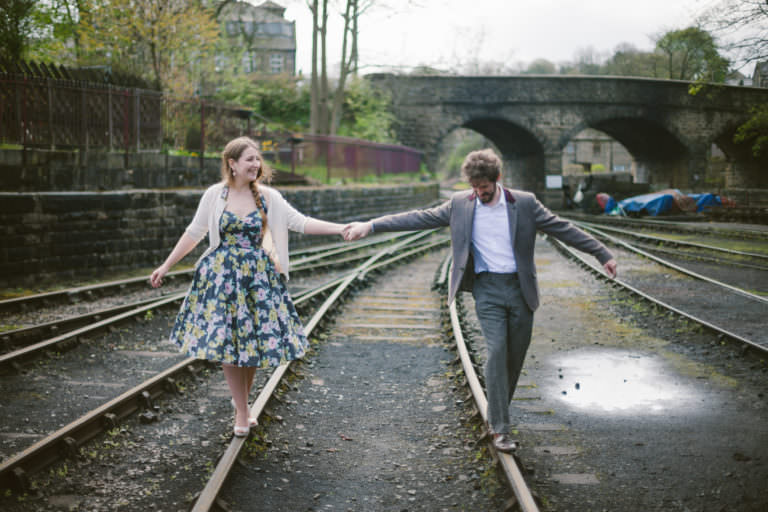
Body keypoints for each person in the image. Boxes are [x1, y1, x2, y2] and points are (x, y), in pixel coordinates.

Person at [343, 149, 617, 453]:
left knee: (514, 359)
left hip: (520, 290)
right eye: (473, 188)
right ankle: (500, 428)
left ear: (497, 179)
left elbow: (562, 228)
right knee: (497, 352)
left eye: (483, 188)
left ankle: (497, 413)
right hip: (486, 290)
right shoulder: (461, 204)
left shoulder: (523, 204)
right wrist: (372, 225)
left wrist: (601, 253)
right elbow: (419, 217)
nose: (478, 193)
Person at [150, 136, 345, 437]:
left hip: (259, 280)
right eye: (249, 159)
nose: (256, 165)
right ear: (232, 163)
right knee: (230, 345)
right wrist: (166, 265)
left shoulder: (269, 197)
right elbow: (195, 232)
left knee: (252, 344)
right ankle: (242, 410)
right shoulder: (216, 195)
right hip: (222, 279)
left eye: (258, 159)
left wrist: (341, 229)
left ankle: (242, 403)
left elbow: (300, 222)